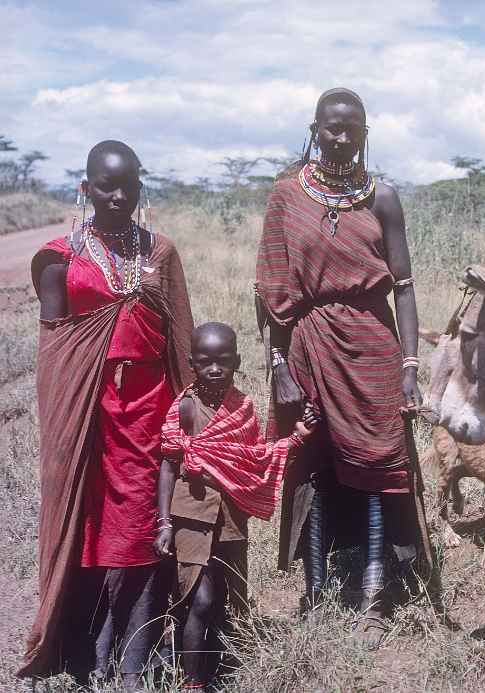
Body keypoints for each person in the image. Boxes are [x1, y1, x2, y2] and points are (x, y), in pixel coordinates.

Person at [21, 140, 194, 690]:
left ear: (143, 184)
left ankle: (135, 656)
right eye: (105, 186)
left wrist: (191, 411)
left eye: (130, 185)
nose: (119, 196)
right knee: (93, 528)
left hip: (151, 413)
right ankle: (90, 648)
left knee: (146, 526)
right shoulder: (59, 260)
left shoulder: (160, 253)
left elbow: (181, 340)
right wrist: (67, 431)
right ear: (85, 188)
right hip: (91, 416)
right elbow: (57, 361)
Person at [255, 88, 423, 646]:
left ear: (366, 132)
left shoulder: (384, 199)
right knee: (314, 463)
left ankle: (374, 598)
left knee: (378, 465)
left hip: (372, 347)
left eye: (353, 127)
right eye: (333, 127)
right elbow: (271, 289)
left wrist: (410, 364)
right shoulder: (285, 196)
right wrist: (277, 362)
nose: (342, 137)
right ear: (316, 128)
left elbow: (402, 287)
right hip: (307, 344)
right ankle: (316, 589)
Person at [155, 322, 318, 689]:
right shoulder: (184, 408)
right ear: (192, 363)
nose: (215, 369)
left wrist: (297, 439)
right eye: (205, 361)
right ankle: (192, 683)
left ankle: (219, 667)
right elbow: (167, 464)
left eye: (223, 361)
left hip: (231, 518)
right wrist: (164, 523)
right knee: (199, 598)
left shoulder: (242, 407)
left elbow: (254, 459)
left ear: (237, 361)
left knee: (226, 597)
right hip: (191, 515)